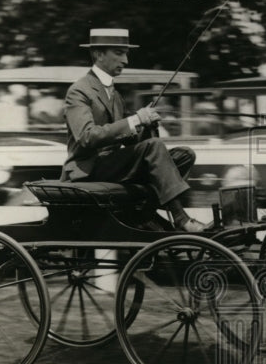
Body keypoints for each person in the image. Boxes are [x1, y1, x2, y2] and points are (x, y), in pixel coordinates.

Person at [61, 28, 204, 232]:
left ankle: (146, 212)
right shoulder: (79, 91)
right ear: (99, 54)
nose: (126, 60)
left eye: (126, 53)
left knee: (184, 155)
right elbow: (86, 137)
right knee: (153, 147)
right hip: (88, 170)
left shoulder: (115, 94)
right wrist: (135, 119)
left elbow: (131, 143)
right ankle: (180, 218)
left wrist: (146, 125)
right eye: (119, 53)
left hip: (113, 166)